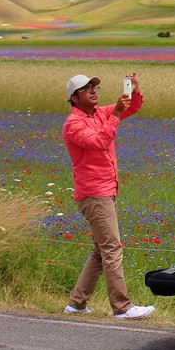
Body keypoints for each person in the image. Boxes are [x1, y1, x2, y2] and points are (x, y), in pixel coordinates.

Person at [62, 73, 155, 320]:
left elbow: (131, 107)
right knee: (111, 248)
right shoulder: (73, 124)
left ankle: (77, 304)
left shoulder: (99, 114)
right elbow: (99, 142)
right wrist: (114, 115)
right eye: (87, 88)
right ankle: (122, 307)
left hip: (106, 190)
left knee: (100, 250)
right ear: (74, 97)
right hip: (94, 193)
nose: (93, 91)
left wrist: (134, 91)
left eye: (94, 87)